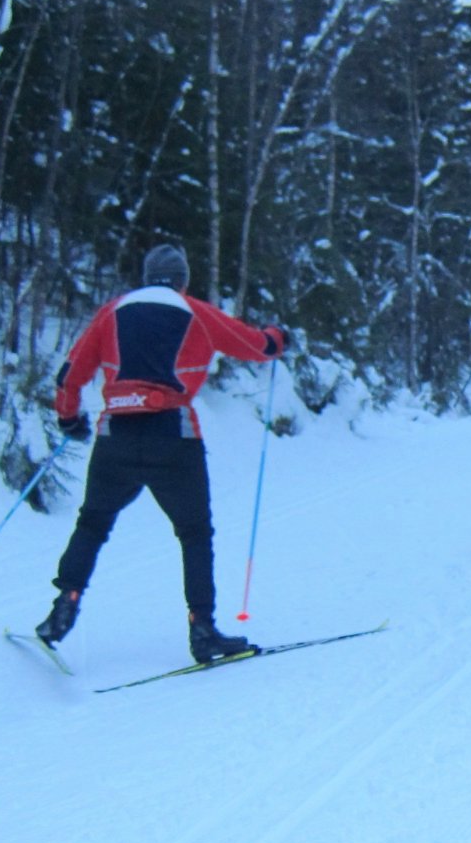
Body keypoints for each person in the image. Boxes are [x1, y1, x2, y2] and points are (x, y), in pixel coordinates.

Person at [35, 243, 287, 662]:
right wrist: (277, 339)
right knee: (193, 534)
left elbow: (70, 373)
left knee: (93, 523)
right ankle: (202, 629)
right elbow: (253, 346)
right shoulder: (195, 312)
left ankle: (64, 604)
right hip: (172, 433)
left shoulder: (113, 311)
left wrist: (68, 419)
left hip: (115, 430)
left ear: (146, 276)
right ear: (182, 279)